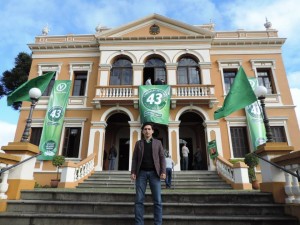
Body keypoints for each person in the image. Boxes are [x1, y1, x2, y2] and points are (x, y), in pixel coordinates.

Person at [131, 122, 166, 225]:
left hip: (155, 174)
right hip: (141, 173)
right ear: (142, 131)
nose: (147, 131)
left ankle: (158, 223)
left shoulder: (158, 143)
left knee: (158, 201)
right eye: (145, 129)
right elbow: (134, 159)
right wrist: (133, 172)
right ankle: (139, 223)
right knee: (139, 200)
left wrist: (163, 171)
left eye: (149, 129)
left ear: (152, 131)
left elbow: (162, 158)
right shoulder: (138, 143)